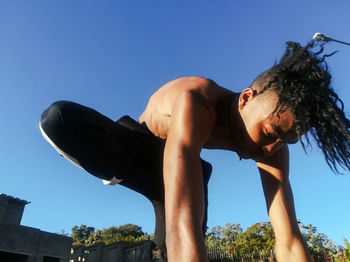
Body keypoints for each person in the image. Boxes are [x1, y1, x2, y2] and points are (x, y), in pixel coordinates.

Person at [39, 41, 350, 262]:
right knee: (60, 119)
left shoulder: (275, 147)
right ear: (245, 99)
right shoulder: (198, 103)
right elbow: (183, 224)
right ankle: (122, 173)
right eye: (269, 133)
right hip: (141, 144)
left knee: (174, 248)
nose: (271, 148)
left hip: (186, 168)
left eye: (285, 141)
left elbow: (289, 238)